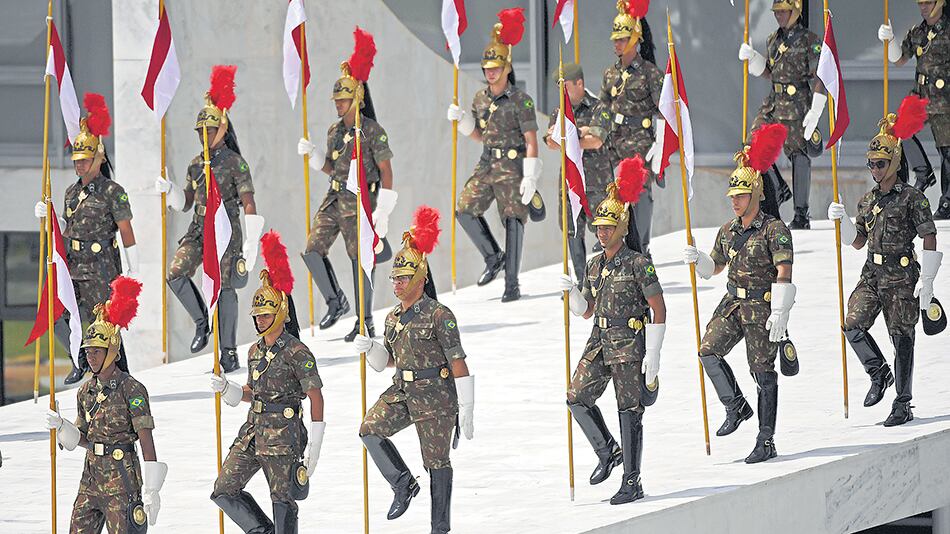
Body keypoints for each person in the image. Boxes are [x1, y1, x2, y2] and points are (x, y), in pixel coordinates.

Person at [354, 206, 474, 533]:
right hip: (403, 390)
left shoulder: (439, 314)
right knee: (370, 429)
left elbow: (458, 361)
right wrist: (370, 350)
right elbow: (387, 362)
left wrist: (467, 407)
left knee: (436, 463)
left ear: (420, 280)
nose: (396, 283)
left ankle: (440, 526)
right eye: (394, 278)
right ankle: (403, 484)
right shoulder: (392, 317)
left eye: (403, 278)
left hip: (436, 395)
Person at [684, 124, 796, 463]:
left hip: (762, 307)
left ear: (756, 195)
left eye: (741, 195)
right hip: (733, 302)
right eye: (732, 196)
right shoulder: (727, 230)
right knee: (707, 350)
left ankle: (766, 439)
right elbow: (716, 266)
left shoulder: (774, 230)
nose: (735, 201)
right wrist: (699, 260)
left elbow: (784, 270)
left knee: (762, 372)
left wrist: (781, 311)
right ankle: (735, 405)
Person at [558, 156, 666, 504]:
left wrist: (653, 354)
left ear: (622, 228)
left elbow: (659, 308)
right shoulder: (593, 265)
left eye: (608, 227)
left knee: (628, 409)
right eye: (598, 228)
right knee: (576, 396)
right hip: (599, 340)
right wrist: (573, 294)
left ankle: (632, 480)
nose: (602, 232)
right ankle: (607, 451)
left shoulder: (638, 263)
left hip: (629, 342)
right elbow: (587, 310)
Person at [828, 95, 941, 426]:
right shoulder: (867, 201)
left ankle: (903, 401)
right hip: (872, 274)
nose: (875, 169)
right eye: (871, 164)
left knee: (902, 337)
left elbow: (929, 235)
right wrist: (844, 223)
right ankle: (878, 372)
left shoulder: (911, 198)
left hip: (901, 277)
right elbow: (858, 241)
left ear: (894, 162)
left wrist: (929, 282)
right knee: (852, 324)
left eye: (880, 163)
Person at [210, 231, 325, 533]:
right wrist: (229, 389)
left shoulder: (297, 351)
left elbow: (315, 396)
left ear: (280, 313)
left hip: (283, 435)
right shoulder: (254, 350)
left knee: (283, 500)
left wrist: (314, 443)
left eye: (265, 314)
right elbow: (253, 391)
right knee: (224, 489)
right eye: (257, 315)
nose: (260, 320)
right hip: (253, 430)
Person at [156, 65, 264, 373]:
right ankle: (203, 322)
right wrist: (171, 190)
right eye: (201, 132)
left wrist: (252, 242)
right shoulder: (194, 164)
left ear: (223, 130)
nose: (204, 136)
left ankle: (228, 351)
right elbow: (188, 203)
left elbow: (248, 202)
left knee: (226, 287)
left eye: (210, 131)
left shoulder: (234, 163)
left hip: (226, 231)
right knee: (176, 273)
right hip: (199, 228)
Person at [44, 277, 168, 533]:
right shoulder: (86, 390)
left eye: (96, 352)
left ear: (112, 352)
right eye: (88, 352)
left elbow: (145, 438)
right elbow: (84, 437)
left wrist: (152, 489)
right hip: (90, 479)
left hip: (122, 480)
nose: (90, 357)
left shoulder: (131, 389)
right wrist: (62, 426)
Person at [297, 39, 396, 341]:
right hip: (335, 196)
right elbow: (332, 166)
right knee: (313, 249)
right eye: (336, 101)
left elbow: (387, 171)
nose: (338, 105)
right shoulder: (334, 130)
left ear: (358, 99)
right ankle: (335, 300)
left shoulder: (373, 131)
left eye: (343, 100)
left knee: (360, 259)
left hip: (362, 197)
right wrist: (315, 158)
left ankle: (364, 321)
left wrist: (383, 210)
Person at [34, 93, 137, 384]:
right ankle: (79, 359)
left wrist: (132, 270)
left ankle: (122, 375)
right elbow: (66, 228)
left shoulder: (112, 191)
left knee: (107, 325)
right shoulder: (70, 192)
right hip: (75, 265)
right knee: (59, 315)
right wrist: (48, 217)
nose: (79, 166)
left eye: (85, 160)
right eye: (77, 160)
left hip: (103, 266)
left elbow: (126, 230)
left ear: (98, 158)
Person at [447, 7, 541, 302]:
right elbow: (480, 135)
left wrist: (530, 174)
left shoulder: (520, 101)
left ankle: (512, 284)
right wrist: (464, 122)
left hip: (512, 164)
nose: (490, 72)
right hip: (488, 161)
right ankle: (493, 257)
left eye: (495, 67)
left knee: (513, 219)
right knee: (464, 209)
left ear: (507, 68)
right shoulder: (480, 98)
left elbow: (531, 139)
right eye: (487, 68)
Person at [740, 0, 825, 229]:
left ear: (795, 11)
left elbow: (820, 75)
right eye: (776, 12)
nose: (779, 16)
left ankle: (801, 213)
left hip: (798, 104)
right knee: (752, 145)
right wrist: (754, 60)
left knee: (799, 155)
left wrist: (816, 109)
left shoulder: (810, 40)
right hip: (774, 103)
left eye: (783, 11)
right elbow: (770, 72)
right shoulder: (772, 40)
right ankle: (778, 188)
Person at [588, 0, 663, 253]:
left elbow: (664, 111)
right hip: (615, 139)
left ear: (634, 39)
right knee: (608, 187)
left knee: (638, 191)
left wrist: (661, 145)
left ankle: (641, 246)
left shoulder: (650, 73)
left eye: (621, 39)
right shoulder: (610, 74)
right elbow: (603, 105)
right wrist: (597, 131)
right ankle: (612, 237)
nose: (616, 44)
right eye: (615, 39)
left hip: (641, 140)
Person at [878, 0, 950, 218]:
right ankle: (923, 172)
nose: (923, 7)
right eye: (920, 3)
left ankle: (947, 201)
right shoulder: (918, 32)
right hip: (920, 96)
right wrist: (889, 41)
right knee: (900, 132)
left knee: (946, 151)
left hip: (944, 98)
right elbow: (899, 60)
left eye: (928, 3)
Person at [544, 63, 614, 283]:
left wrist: (569, 136)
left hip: (597, 182)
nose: (562, 91)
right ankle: (584, 283)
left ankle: (610, 280)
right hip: (570, 183)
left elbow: (596, 140)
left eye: (565, 86)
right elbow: (550, 142)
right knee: (573, 233)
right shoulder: (559, 111)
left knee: (606, 232)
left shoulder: (599, 108)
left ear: (579, 83)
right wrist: (579, 132)